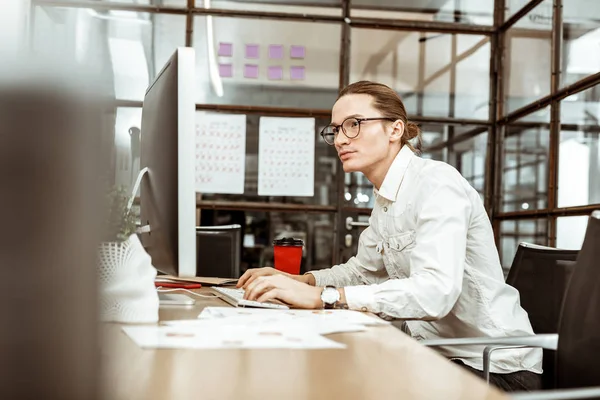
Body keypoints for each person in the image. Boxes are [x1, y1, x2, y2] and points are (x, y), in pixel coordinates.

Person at [237, 80, 542, 391]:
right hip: (437, 357)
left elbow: (436, 291)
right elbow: (361, 272)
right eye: (336, 129)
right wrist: (302, 282)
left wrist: (325, 297)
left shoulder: (437, 184)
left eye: (353, 125)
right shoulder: (385, 199)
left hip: (494, 369)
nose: (341, 139)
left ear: (395, 130)